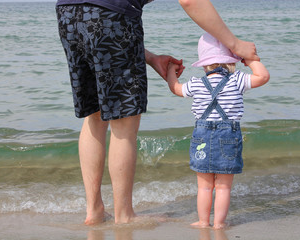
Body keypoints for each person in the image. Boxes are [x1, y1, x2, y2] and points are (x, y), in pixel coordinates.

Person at [55, 0, 259, 225]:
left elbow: (97, 20)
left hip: (68, 13)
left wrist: (150, 58)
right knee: (123, 120)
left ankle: (94, 211)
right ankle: (124, 216)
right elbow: (190, 1)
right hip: (110, 14)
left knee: (95, 115)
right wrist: (235, 44)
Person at [166, 32, 269, 228]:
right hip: (228, 135)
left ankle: (203, 221)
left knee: (204, 187)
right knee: (223, 187)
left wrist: (172, 70)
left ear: (204, 63)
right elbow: (263, 76)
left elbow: (176, 88)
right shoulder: (237, 79)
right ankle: (219, 223)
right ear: (231, 60)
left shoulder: (196, 84)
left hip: (201, 136)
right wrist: (250, 59)